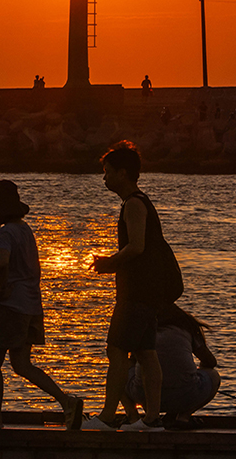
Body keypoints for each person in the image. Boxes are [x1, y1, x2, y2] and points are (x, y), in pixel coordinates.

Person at [84, 141, 180, 432]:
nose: (104, 178)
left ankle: (107, 417)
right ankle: (151, 419)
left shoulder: (134, 204)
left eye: (108, 172)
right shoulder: (138, 201)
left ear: (123, 173)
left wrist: (108, 263)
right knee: (145, 353)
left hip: (136, 292)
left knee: (116, 350)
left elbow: (136, 247)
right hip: (147, 291)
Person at [0, 180, 84, 430]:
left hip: (8, 307)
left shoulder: (4, 234)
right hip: (31, 306)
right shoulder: (25, 230)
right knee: (22, 365)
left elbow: (2, 262)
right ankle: (67, 402)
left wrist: (0, 291)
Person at [125, 303, 220, 430]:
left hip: (144, 396)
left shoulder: (144, 329)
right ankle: (183, 417)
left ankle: (133, 417)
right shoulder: (187, 328)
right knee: (213, 375)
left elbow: (132, 362)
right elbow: (210, 362)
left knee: (118, 371)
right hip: (185, 395)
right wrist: (199, 370)